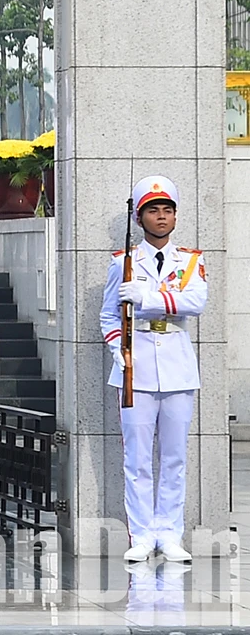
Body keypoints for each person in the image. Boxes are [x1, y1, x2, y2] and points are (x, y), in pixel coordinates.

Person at [100, 175, 207, 563]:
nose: (161, 217)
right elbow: (108, 316)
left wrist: (149, 297)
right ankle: (142, 534)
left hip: (177, 365)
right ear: (141, 218)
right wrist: (117, 349)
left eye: (167, 210)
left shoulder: (191, 261)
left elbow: (196, 301)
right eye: (153, 211)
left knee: (175, 457)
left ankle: (170, 533)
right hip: (137, 365)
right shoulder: (123, 263)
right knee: (138, 458)